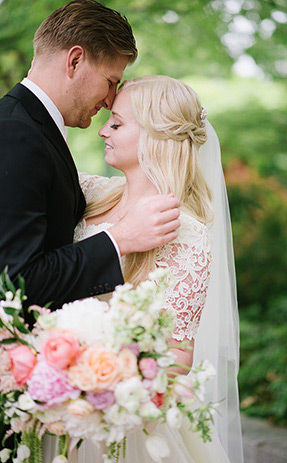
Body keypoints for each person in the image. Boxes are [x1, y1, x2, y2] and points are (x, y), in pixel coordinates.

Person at [43, 75, 243, 462]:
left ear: (157, 135)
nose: (102, 130)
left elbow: (178, 357)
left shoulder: (185, 231)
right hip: (55, 399)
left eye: (116, 123)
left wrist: (95, 375)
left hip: (122, 419)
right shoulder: (97, 193)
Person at [0, 0, 180, 316]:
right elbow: (15, 282)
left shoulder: (29, 126)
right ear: (75, 60)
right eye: (110, 81)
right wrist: (119, 238)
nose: (111, 100)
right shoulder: (18, 135)